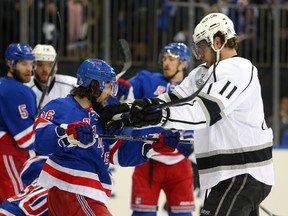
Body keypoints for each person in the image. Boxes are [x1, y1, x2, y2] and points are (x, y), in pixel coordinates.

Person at [110, 13, 274, 216]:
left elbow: (203, 112)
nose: (198, 54)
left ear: (218, 41)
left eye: (201, 48)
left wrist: (158, 117)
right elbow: (173, 99)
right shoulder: (201, 73)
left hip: (242, 173)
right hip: (220, 175)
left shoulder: (239, 68)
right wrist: (134, 110)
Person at [33, 58, 181, 216]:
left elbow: (120, 154)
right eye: (109, 86)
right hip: (73, 190)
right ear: (94, 86)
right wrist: (68, 134)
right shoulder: (61, 106)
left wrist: (153, 145)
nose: (111, 93)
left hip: (84, 194)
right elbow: (41, 141)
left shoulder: (102, 117)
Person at [122, 43, 196, 216]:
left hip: (180, 164)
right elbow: (125, 90)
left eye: (171, 59)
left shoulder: (193, 88)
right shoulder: (147, 80)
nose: (166, 63)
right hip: (147, 159)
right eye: (164, 58)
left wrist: (193, 145)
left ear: (184, 63)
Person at [0, 43, 37, 204]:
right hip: (8, 154)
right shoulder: (19, 91)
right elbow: (27, 140)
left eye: (31, 64)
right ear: (10, 63)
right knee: (16, 205)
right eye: (23, 64)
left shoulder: (3, 84)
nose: (29, 69)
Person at [26, 44, 77, 111]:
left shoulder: (72, 85)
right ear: (33, 65)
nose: (45, 69)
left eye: (50, 65)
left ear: (56, 66)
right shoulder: (24, 88)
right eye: (40, 65)